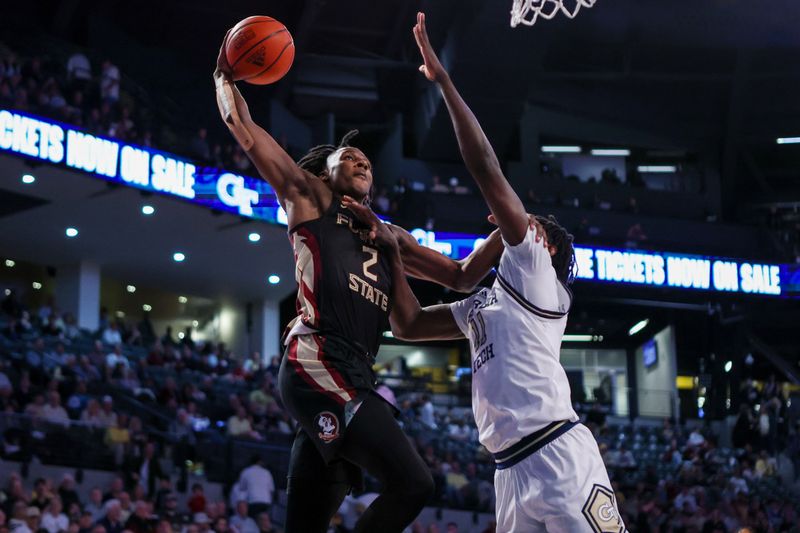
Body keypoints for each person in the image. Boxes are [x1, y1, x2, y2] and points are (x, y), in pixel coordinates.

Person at [342, 13, 626, 532]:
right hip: (509, 471)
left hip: (558, 455)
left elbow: (485, 169)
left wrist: (444, 83)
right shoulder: (484, 303)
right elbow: (412, 319)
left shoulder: (538, 269)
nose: (505, 221)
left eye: (520, 223)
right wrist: (384, 243)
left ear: (538, 240)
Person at [214, 26, 505, 533]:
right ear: (325, 173)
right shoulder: (310, 198)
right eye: (346, 158)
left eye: (366, 160)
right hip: (318, 361)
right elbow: (245, 128)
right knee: (414, 485)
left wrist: (507, 228)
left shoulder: (390, 237)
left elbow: (461, 277)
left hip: (354, 371)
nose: (359, 160)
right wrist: (224, 76)